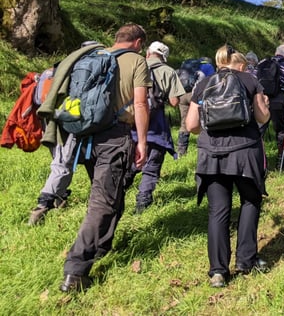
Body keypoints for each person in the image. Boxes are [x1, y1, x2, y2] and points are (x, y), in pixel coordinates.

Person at [58, 23, 150, 293]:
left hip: (85, 137)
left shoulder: (93, 56)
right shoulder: (137, 61)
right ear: (138, 42)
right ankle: (75, 270)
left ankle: (102, 247)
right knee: (103, 202)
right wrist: (142, 141)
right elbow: (141, 103)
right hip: (115, 137)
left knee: (113, 194)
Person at [185, 45, 271, 288]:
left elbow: (191, 125)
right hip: (245, 151)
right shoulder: (249, 80)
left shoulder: (204, 84)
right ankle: (246, 260)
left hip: (211, 154)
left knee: (218, 210)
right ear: (240, 63)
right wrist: (263, 104)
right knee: (250, 200)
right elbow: (262, 116)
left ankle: (218, 272)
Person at [28, 41, 102, 226]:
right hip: (68, 122)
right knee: (62, 165)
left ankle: (60, 199)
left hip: (49, 119)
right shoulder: (82, 69)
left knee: (62, 160)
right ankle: (41, 207)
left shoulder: (58, 67)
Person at [124, 41, 186, 213]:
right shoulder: (168, 71)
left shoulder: (135, 66)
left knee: (131, 162)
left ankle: (118, 193)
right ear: (164, 57)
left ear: (148, 53)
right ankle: (142, 203)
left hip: (133, 123)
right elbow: (174, 102)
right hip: (156, 126)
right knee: (152, 167)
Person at [258, 44, 284, 166]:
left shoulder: (262, 63)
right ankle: (281, 159)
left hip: (261, 100)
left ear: (275, 52)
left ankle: (260, 161)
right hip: (278, 101)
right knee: (281, 130)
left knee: (259, 131)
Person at [176, 57, 215, 157]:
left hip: (183, 95)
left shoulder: (187, 65)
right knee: (203, 120)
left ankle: (181, 151)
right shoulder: (208, 66)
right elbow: (212, 82)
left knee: (184, 122)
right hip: (197, 96)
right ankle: (203, 148)